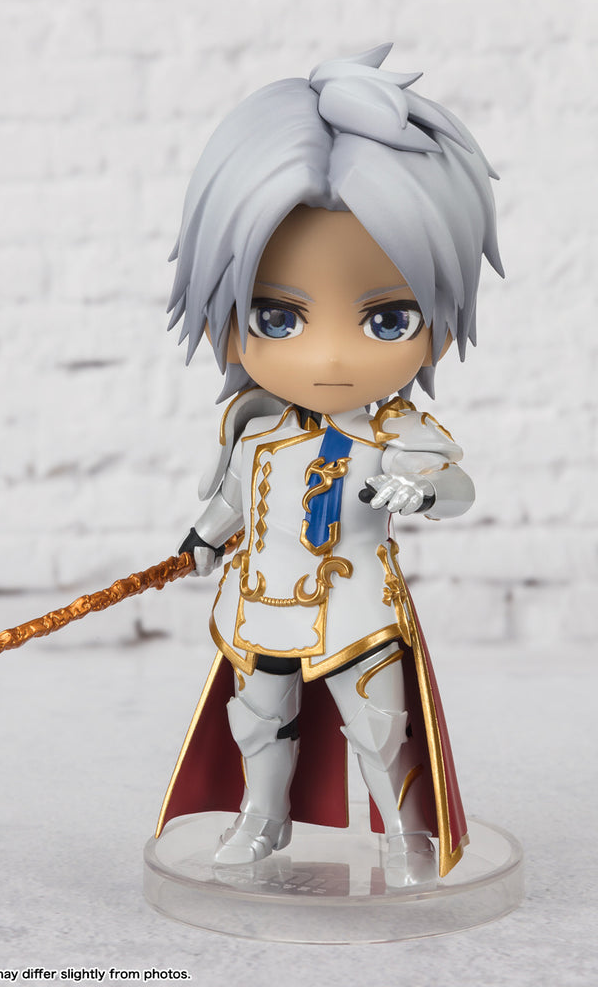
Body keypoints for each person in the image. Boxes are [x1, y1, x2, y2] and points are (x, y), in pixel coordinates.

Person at [155, 45, 502, 888]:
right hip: (262, 594)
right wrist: (202, 539)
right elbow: (236, 497)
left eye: (387, 319)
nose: (331, 356)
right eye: (278, 316)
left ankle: (406, 838)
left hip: (353, 601)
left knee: (378, 727)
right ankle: (262, 819)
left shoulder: (394, 427)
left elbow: (456, 485)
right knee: (257, 715)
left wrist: (419, 487)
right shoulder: (256, 424)